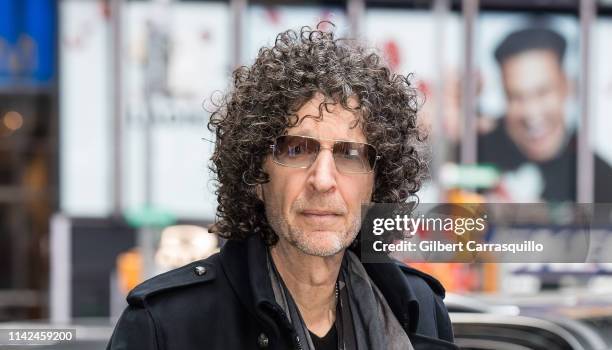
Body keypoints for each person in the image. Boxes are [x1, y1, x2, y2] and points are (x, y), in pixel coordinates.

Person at [106, 24, 456, 350]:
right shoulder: (164, 325)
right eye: (297, 149)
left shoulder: (419, 309)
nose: (323, 180)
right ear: (256, 176)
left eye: (350, 154)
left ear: (376, 184)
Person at [478, 26, 612, 202]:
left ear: (566, 86)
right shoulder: (473, 155)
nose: (531, 112)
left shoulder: (600, 177)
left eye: (542, 92)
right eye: (516, 97)